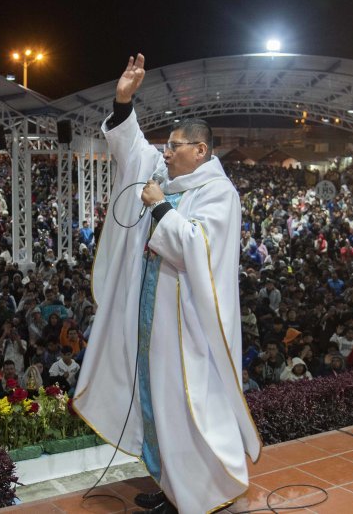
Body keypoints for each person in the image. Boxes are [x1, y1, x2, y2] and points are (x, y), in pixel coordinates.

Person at [75, 54, 261, 514]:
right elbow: (131, 146)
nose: (166, 151)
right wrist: (123, 101)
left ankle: (198, 490)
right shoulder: (164, 176)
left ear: (201, 150)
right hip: (151, 317)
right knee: (154, 401)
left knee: (184, 408)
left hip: (188, 327)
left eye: (176, 145)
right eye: (168, 143)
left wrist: (160, 208)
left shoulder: (218, 193)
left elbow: (195, 247)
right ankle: (167, 482)